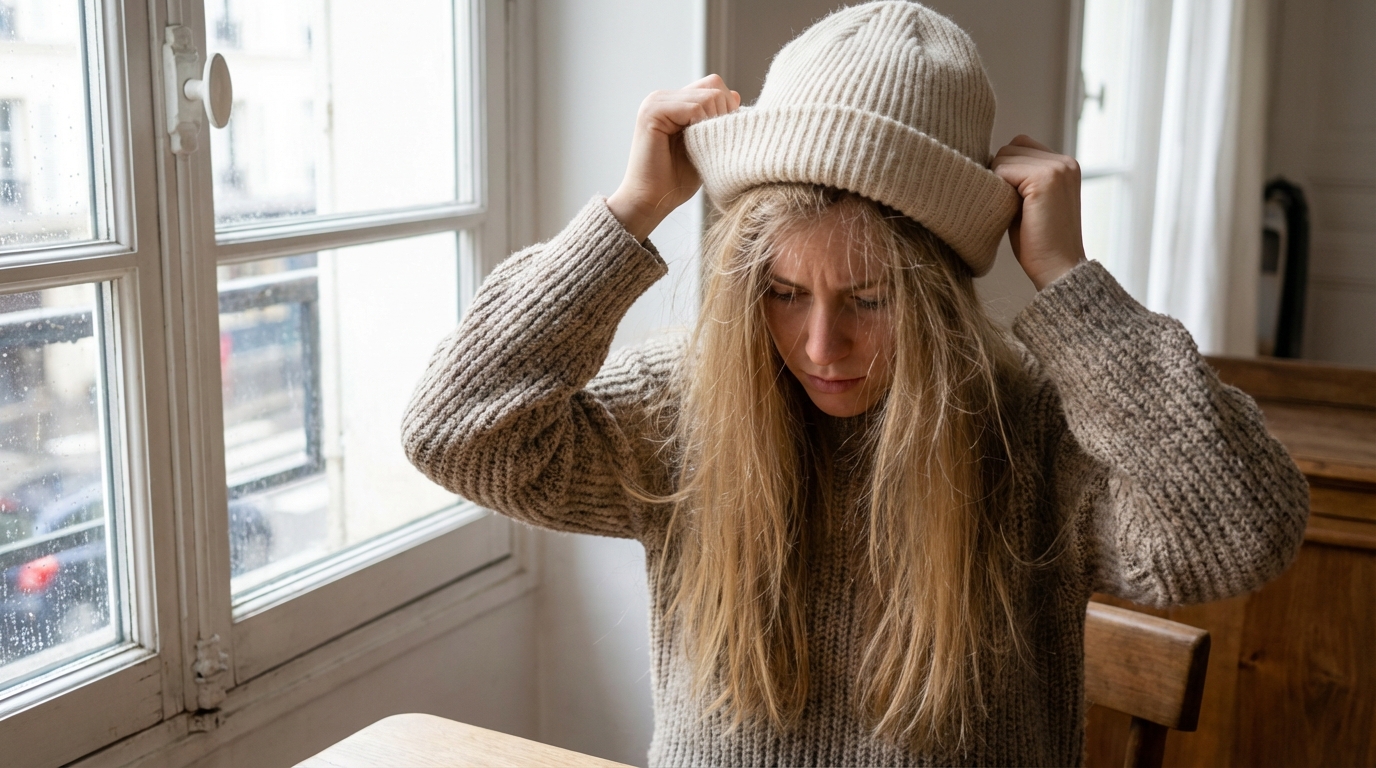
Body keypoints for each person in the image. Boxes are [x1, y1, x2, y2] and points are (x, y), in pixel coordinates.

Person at [402, 2, 1309, 765]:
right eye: (784, 293)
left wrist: (1071, 286)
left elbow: (1241, 533)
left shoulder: (1029, 429)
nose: (820, 345)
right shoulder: (686, 404)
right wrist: (628, 213)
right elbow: (455, 431)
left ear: (940, 302)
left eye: (870, 300)